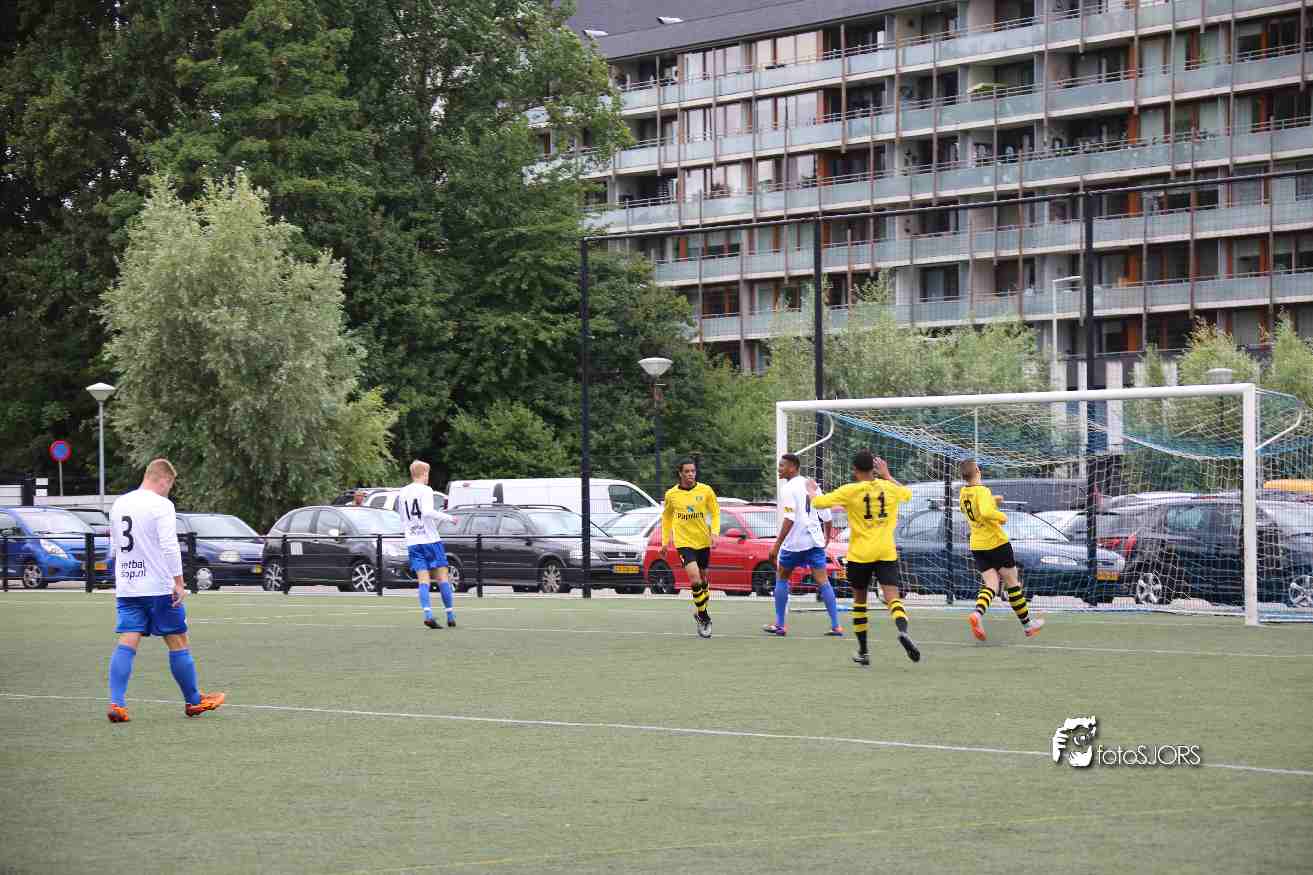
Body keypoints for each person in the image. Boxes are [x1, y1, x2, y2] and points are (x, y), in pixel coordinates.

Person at [105, 459, 224, 723]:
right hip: (158, 586)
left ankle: (117, 703)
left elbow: (114, 547)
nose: (169, 491)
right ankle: (194, 701)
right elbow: (170, 546)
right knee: (178, 639)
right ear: (164, 479)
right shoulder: (161, 505)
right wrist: (178, 582)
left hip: (128, 585)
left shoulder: (119, 504)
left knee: (128, 639)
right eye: (170, 485)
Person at [810, 450, 920, 666]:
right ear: (874, 468)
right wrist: (887, 476)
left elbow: (819, 503)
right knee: (893, 598)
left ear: (855, 470)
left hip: (860, 555)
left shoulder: (850, 490)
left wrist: (812, 490)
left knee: (860, 602)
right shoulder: (889, 488)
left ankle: (863, 651)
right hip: (885, 552)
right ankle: (903, 631)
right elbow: (907, 494)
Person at [958, 459, 1044, 641]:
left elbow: (974, 509)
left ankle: (977, 614)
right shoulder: (982, 490)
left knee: (991, 584)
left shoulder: (964, 492)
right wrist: (1001, 516)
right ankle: (1028, 625)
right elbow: (986, 512)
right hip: (996, 543)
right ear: (978, 470)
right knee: (1012, 583)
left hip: (977, 545)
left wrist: (993, 501)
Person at [763, 453, 842, 636]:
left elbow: (790, 518)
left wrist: (777, 545)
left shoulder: (788, 488)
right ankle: (836, 625)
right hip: (814, 540)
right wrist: (826, 537)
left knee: (782, 577)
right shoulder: (811, 484)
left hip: (795, 542)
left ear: (792, 467)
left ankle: (780, 625)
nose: (779, 469)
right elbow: (827, 515)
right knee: (823, 581)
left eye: (782, 466)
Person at [660, 458, 720, 638]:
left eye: (693, 471)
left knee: (703, 579)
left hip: (703, 541)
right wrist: (665, 541)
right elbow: (667, 518)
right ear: (680, 473)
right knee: (694, 579)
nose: (690, 474)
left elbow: (715, 512)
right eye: (686, 471)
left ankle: (700, 611)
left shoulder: (706, 490)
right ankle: (704, 616)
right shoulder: (671, 494)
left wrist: (714, 533)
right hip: (684, 543)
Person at [398, 460, 458, 629]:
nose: (428, 477)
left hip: (413, 542)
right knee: (442, 577)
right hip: (430, 540)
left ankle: (428, 614)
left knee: (423, 580)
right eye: (427, 474)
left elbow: (402, 517)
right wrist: (449, 518)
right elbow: (427, 512)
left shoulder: (403, 492)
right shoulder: (426, 490)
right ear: (424, 473)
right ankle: (450, 615)